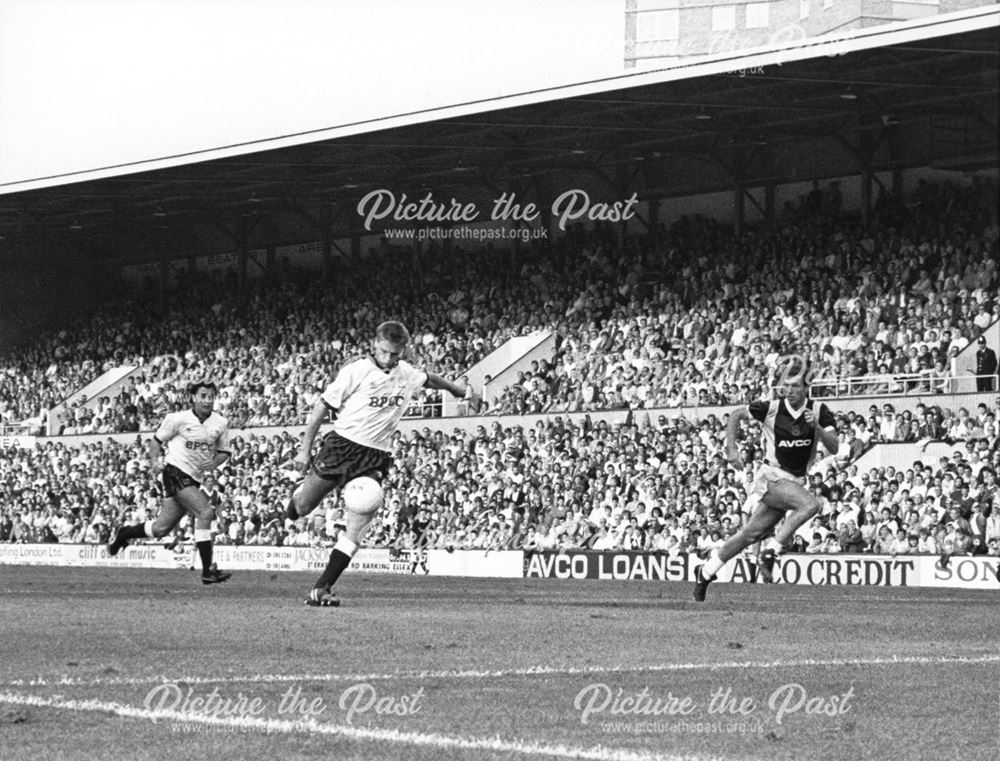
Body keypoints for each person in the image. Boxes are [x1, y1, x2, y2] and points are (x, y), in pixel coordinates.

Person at [286, 321, 481, 607]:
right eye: (385, 352)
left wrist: (457, 391)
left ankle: (321, 588)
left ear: (403, 350)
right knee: (301, 509)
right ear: (374, 345)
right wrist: (304, 452)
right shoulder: (356, 371)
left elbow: (429, 378)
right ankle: (295, 498)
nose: (390, 358)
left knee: (362, 515)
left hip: (375, 455)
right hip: (341, 446)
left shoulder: (406, 373)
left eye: (396, 353)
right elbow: (319, 410)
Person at [694, 370, 838, 601]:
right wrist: (731, 448)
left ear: (806, 389)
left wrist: (818, 429)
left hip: (794, 481)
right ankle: (772, 551)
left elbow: (835, 448)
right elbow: (735, 415)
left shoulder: (819, 410)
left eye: (795, 386)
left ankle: (706, 572)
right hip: (770, 477)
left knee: (749, 535)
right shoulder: (771, 407)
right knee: (811, 505)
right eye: (786, 386)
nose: (789, 391)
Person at [107, 380, 232, 585]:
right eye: (203, 396)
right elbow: (156, 441)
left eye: (211, 396)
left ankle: (125, 533)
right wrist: (155, 461)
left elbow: (225, 452)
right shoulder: (177, 419)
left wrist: (213, 463)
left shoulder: (220, 423)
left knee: (161, 529)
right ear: (193, 397)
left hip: (193, 478)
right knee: (206, 512)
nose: (207, 400)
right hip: (174, 472)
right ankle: (207, 570)